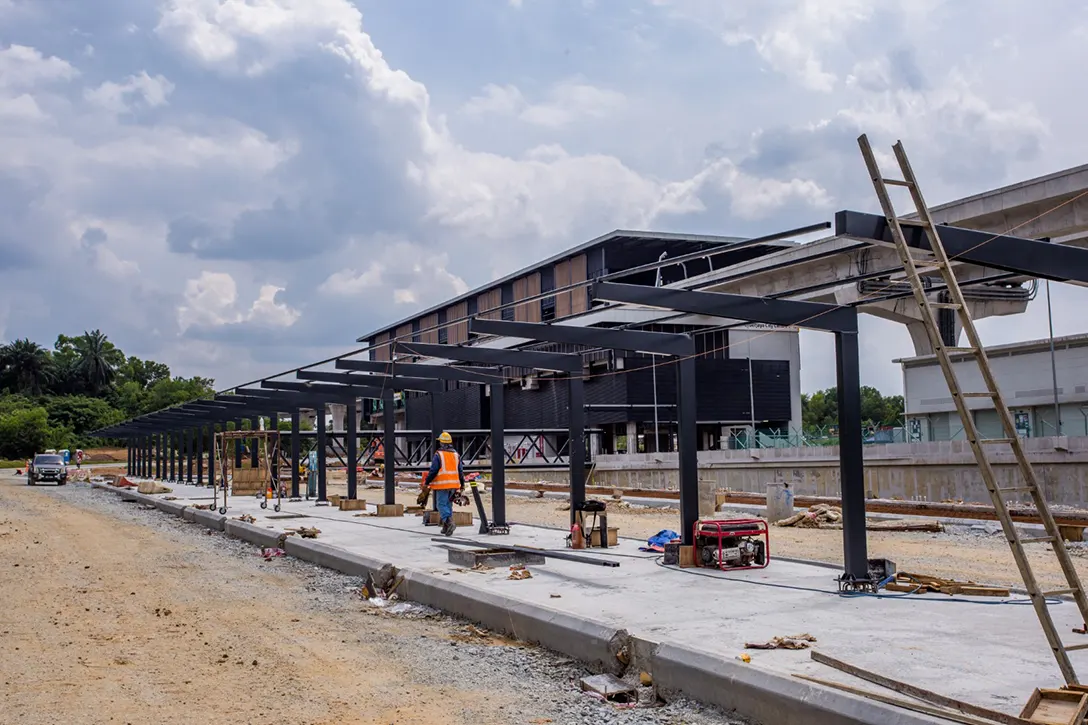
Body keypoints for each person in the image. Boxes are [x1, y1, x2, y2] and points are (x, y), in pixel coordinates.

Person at [422, 431, 464, 536]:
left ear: (441, 443)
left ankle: (449, 522)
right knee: (448, 505)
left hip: (442, 485)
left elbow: (433, 470)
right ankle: (446, 527)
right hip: (454, 485)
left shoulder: (439, 455)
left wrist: (427, 482)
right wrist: (462, 484)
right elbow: (460, 471)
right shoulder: (456, 455)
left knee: (441, 505)